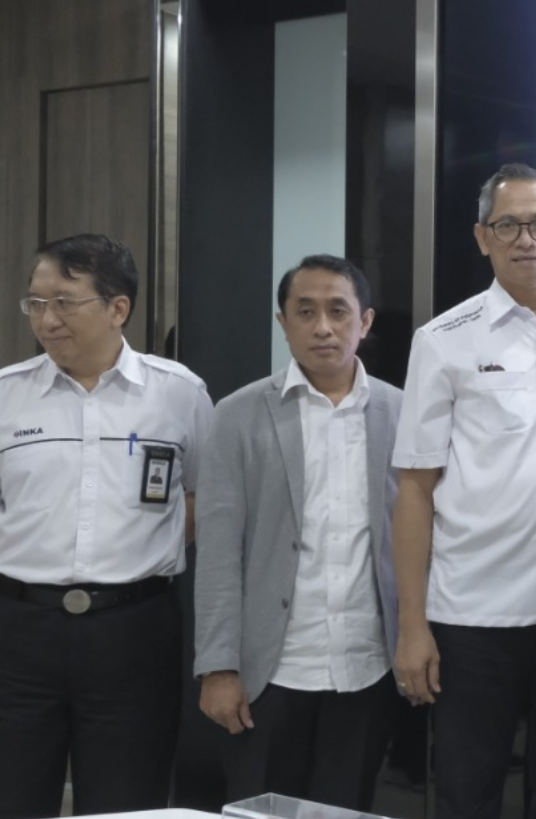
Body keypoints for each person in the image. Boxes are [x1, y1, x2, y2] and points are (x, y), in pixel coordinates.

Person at [0, 234, 213, 818]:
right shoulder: (1, 396)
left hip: (134, 631)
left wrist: (142, 551)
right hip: (17, 631)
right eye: (35, 303)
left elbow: (204, 498)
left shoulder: (179, 394)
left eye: (64, 302)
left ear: (118, 308)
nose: (46, 319)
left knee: (127, 800)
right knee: (0, 797)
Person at [391, 163, 536, 819]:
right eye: (508, 226)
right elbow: (415, 488)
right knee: (468, 791)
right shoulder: (443, 341)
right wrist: (413, 625)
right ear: (482, 237)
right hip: (475, 614)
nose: (527, 239)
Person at [193, 255, 401, 810]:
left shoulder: (402, 414)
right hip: (270, 670)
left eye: (338, 311)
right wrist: (219, 667)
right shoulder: (238, 415)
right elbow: (217, 551)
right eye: (304, 312)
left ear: (366, 321)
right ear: (283, 322)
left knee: (346, 806)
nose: (322, 327)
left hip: (366, 664)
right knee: (260, 807)